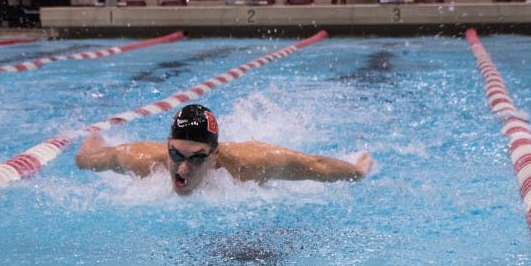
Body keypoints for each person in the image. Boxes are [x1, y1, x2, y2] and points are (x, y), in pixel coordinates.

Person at [75, 104, 374, 196]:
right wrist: (93, 140)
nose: (182, 168)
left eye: (196, 158)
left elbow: (316, 166)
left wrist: (357, 171)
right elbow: (88, 158)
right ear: (166, 146)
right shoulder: (143, 160)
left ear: (214, 155)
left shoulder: (251, 164)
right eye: (176, 154)